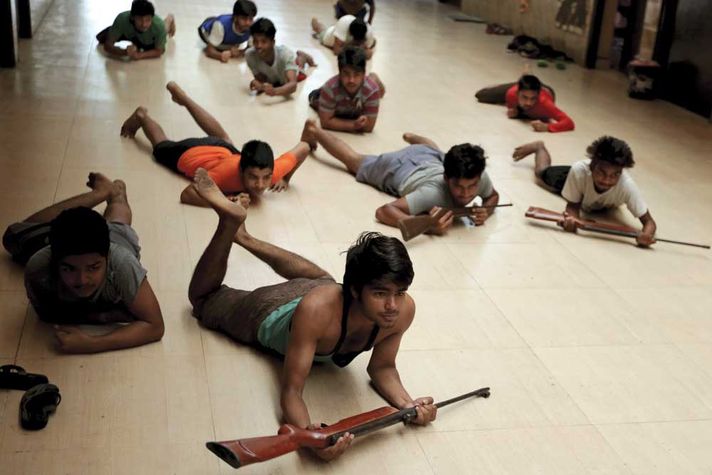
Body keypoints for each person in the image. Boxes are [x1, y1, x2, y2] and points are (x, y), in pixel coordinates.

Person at [187, 168, 437, 461]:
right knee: (203, 300)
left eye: (400, 292)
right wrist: (310, 436)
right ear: (356, 290)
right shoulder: (318, 311)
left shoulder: (401, 309)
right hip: (270, 311)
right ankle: (229, 225)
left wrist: (410, 407)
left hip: (324, 292)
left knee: (324, 280)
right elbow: (292, 390)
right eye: (381, 294)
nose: (393, 305)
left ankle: (245, 237)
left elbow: (382, 368)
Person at [2, 173, 164, 354]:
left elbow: (155, 326)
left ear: (107, 258)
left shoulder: (122, 264)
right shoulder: (38, 268)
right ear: (54, 261)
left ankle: (115, 193)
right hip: (62, 239)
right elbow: (46, 314)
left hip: (117, 238)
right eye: (69, 268)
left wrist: (93, 343)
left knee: (119, 221)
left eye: (93, 268)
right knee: (12, 236)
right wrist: (105, 315)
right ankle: (100, 193)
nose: (82, 279)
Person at [120, 81, 313, 207]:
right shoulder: (222, 177)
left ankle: (185, 99)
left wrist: (285, 178)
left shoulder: (273, 171)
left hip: (224, 151)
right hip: (191, 153)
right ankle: (142, 116)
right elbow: (186, 195)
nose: (261, 185)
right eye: (253, 177)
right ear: (241, 170)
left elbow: (304, 147)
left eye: (266, 177)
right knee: (161, 147)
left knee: (225, 140)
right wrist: (226, 201)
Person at [305, 120, 500, 234]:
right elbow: (384, 211)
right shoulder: (432, 193)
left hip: (430, 157)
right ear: (447, 178)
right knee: (354, 161)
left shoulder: (478, 175)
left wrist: (486, 210)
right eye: (458, 186)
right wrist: (428, 225)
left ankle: (414, 140)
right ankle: (314, 129)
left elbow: (493, 196)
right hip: (399, 166)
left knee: (436, 152)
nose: (466, 194)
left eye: (472, 187)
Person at [512, 136, 657, 246]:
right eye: (602, 173)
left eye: (614, 175)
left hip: (593, 197)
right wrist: (572, 220)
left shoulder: (626, 185)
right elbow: (573, 206)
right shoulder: (579, 171)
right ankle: (539, 147)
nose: (607, 180)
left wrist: (647, 235)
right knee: (541, 173)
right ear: (592, 165)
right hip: (571, 180)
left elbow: (649, 222)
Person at [308, 47, 384, 134]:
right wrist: (353, 125)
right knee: (316, 99)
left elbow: (369, 127)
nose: (351, 80)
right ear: (339, 73)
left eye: (357, 74)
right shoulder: (329, 89)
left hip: (349, 102)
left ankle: (373, 77)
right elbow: (325, 122)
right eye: (346, 74)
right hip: (321, 96)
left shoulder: (372, 90)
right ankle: (320, 91)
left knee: (378, 91)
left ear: (363, 74)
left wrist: (340, 123)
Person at [475, 74, 574, 133]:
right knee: (481, 95)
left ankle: (526, 80)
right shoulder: (511, 94)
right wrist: (517, 113)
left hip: (545, 90)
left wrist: (548, 127)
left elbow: (569, 122)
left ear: (537, 96)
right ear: (517, 94)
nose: (528, 102)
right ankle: (513, 82)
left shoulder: (545, 103)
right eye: (525, 98)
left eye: (533, 99)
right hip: (517, 87)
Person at [245, 18, 316, 97]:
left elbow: (293, 85)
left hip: (291, 73)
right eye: (255, 41)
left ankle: (302, 56)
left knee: (299, 68)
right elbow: (262, 79)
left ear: (273, 42)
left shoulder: (285, 55)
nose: (259, 46)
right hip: (276, 79)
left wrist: (275, 91)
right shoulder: (250, 55)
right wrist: (259, 85)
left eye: (264, 41)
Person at [96, 0, 176, 61]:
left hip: (149, 37)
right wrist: (124, 52)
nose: (144, 24)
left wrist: (139, 55)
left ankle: (170, 18)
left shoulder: (158, 26)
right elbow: (108, 45)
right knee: (101, 38)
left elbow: (159, 51)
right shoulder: (122, 19)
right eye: (139, 19)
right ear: (132, 17)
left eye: (148, 20)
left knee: (163, 28)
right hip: (127, 32)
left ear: (152, 18)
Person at [311, 14, 376, 58]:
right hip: (329, 37)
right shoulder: (344, 21)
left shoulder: (369, 32)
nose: (357, 43)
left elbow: (369, 54)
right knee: (320, 30)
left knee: (373, 42)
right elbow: (336, 51)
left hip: (339, 31)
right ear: (350, 34)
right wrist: (355, 50)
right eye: (355, 41)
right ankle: (315, 24)